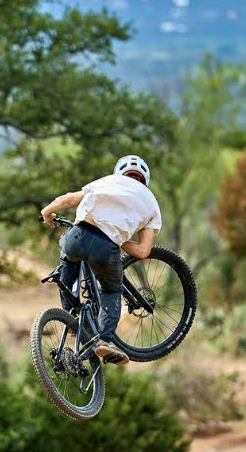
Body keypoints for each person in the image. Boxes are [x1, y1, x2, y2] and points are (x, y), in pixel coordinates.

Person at [40, 154, 161, 365]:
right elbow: (143, 251)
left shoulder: (107, 181)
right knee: (112, 290)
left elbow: (68, 199)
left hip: (78, 236)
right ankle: (104, 340)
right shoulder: (151, 202)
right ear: (145, 179)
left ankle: (69, 313)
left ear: (119, 173)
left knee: (67, 258)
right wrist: (118, 237)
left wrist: (48, 211)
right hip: (106, 249)